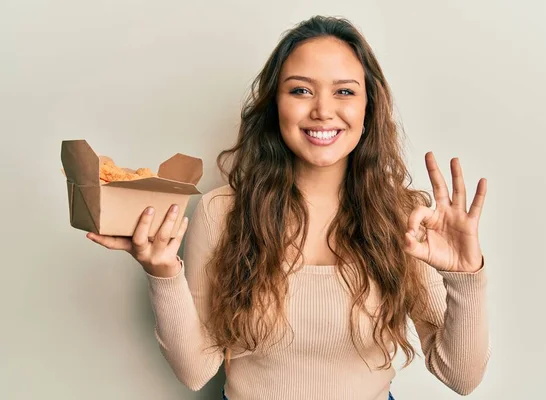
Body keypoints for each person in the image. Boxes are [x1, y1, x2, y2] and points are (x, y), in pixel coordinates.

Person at [87, 15, 491, 400]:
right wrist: (162, 273)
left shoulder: (406, 218)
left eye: (345, 91)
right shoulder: (222, 212)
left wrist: (464, 276)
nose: (322, 110)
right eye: (300, 90)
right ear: (274, 107)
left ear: (368, 108)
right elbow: (195, 371)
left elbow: (461, 375)